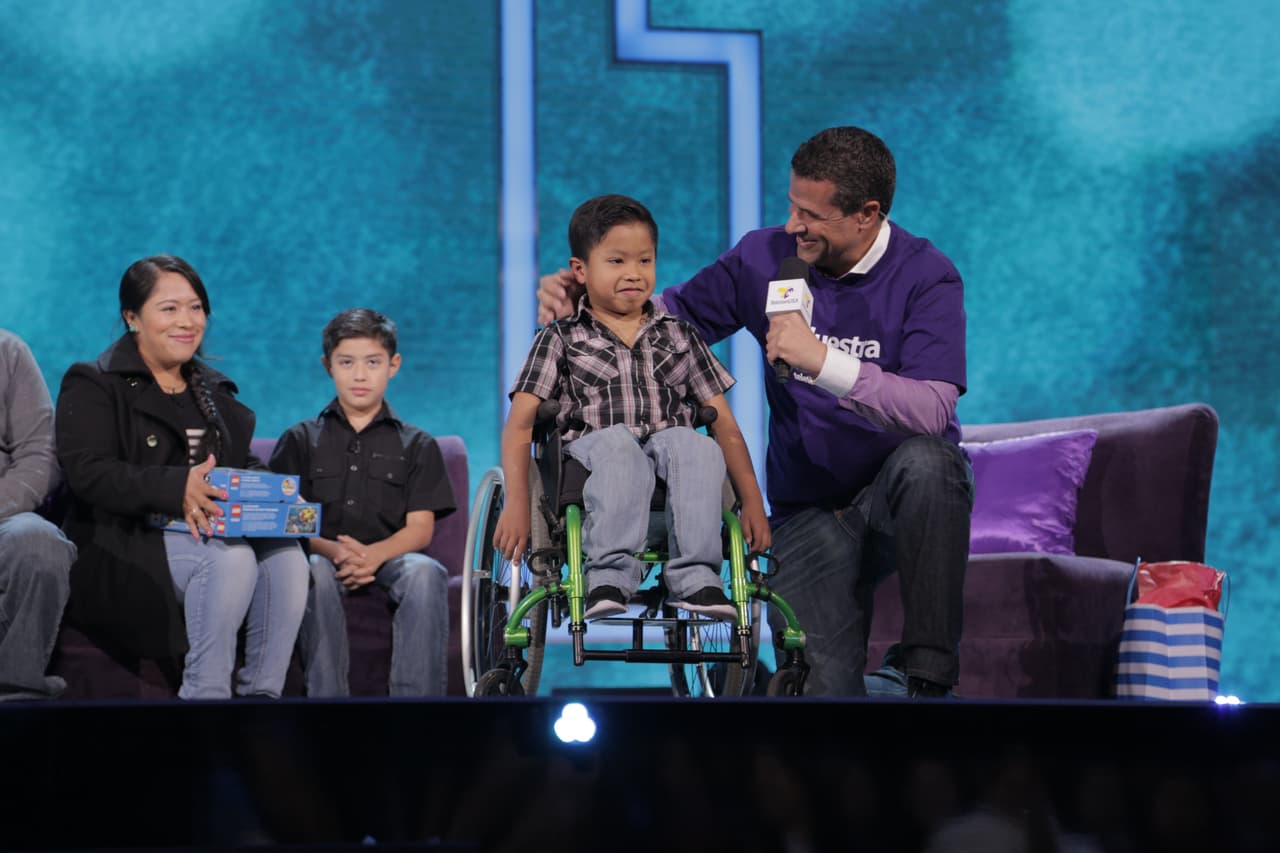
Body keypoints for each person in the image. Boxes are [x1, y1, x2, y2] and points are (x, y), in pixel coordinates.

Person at [538, 128, 972, 696]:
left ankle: (928, 678)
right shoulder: (765, 257)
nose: (795, 225)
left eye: (812, 215)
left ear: (867, 215)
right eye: (793, 205)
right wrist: (590, 302)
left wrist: (821, 360)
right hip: (808, 510)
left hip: (894, 498)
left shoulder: (926, 275)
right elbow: (663, 321)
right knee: (825, 698)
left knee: (932, 463)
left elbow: (934, 409)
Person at [499, 193, 770, 621]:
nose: (634, 273)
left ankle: (698, 579)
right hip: (594, 456)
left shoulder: (680, 336)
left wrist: (753, 501)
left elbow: (726, 427)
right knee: (619, 447)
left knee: (696, 445)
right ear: (580, 271)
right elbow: (519, 427)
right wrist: (517, 503)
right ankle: (608, 577)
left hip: (671, 462)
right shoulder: (559, 338)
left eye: (645, 261)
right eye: (617, 261)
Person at [55, 255, 309, 699]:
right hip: (124, 543)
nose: (187, 321)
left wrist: (279, 499)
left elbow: (238, 462)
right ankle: (204, 699)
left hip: (204, 532)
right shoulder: (94, 382)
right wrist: (177, 488)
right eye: (169, 309)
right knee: (231, 558)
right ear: (132, 318)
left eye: (196, 308)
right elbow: (88, 473)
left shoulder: (211, 390)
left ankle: (261, 700)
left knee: (287, 556)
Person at [269, 308, 456, 696]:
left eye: (372, 362)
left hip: (392, 558)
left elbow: (420, 530)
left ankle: (416, 710)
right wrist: (335, 550)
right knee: (314, 569)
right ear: (327, 366)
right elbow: (288, 522)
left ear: (393, 365)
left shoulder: (418, 444)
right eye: (346, 362)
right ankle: (328, 702)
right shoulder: (299, 440)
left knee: (425, 571)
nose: (359, 375)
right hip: (321, 553)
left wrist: (372, 556)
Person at [1, 329, 76, 701]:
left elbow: (39, 455)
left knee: (38, 544)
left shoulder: (8, 352)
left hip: (3, 514)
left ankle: (17, 687)